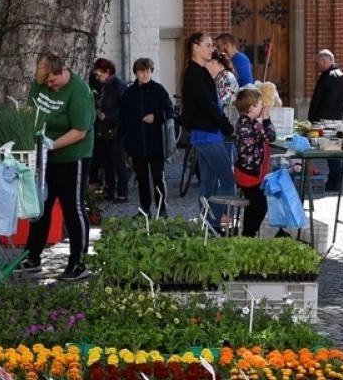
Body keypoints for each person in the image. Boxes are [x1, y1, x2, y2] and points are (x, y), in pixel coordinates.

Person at [19, 51, 95, 280]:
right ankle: (32, 256)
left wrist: (52, 144)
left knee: (73, 208)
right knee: (41, 206)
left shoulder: (78, 91)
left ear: (62, 70)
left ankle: (78, 262)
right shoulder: (40, 84)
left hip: (73, 156)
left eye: (52, 81)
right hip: (44, 155)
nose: (49, 86)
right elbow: (30, 112)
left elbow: (80, 131)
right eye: (45, 83)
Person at [180, 31, 236, 231]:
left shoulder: (199, 71)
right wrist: (227, 126)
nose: (212, 49)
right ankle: (215, 221)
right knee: (228, 181)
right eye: (208, 45)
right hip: (207, 134)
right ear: (195, 47)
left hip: (205, 134)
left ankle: (206, 224)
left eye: (212, 45)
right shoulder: (195, 74)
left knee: (208, 183)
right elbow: (209, 106)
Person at [119, 57, 174, 217]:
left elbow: (169, 110)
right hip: (136, 143)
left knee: (158, 177)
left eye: (148, 71)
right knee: (141, 178)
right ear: (136, 73)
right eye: (141, 71)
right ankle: (145, 208)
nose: (145, 74)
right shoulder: (128, 93)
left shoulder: (158, 90)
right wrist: (125, 143)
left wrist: (156, 117)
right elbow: (123, 119)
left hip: (155, 141)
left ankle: (161, 208)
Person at [232, 86, 274, 237]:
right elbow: (271, 136)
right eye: (260, 103)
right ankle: (248, 235)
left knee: (252, 205)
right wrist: (267, 119)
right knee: (260, 206)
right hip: (251, 174)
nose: (262, 106)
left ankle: (247, 234)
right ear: (251, 107)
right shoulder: (253, 124)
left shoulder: (242, 121)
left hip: (243, 170)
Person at [306, 49, 343, 190]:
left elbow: (330, 101)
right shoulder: (331, 74)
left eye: (317, 64)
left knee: (332, 152)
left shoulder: (333, 76)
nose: (315, 67)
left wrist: (319, 119)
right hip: (329, 119)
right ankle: (333, 181)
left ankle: (335, 182)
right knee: (331, 152)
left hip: (329, 121)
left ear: (324, 61)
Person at [90, 58, 129, 202]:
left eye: (99, 73)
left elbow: (125, 109)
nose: (98, 77)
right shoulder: (104, 85)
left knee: (118, 163)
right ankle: (109, 191)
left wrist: (107, 115)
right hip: (104, 129)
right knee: (107, 162)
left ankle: (122, 193)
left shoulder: (118, 86)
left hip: (116, 129)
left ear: (107, 72)